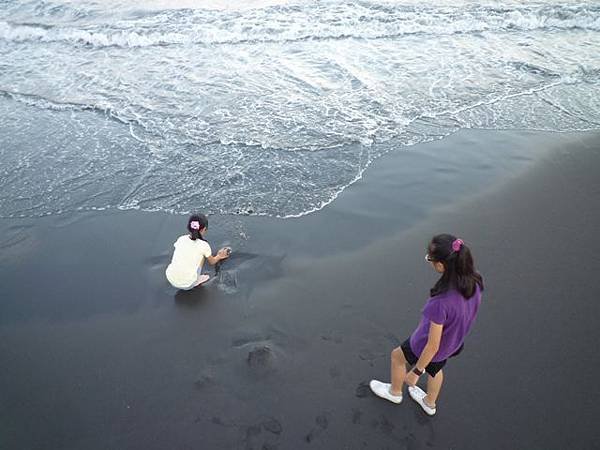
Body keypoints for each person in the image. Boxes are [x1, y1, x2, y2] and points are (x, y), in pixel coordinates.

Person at [369, 234, 484, 416]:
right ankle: (430, 403)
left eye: (430, 258)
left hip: (424, 345)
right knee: (436, 370)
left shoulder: (440, 302)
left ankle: (395, 393)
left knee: (397, 357)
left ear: (441, 265)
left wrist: (416, 371)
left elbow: (432, 345)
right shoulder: (476, 280)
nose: (429, 261)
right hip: (452, 343)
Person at [165, 214, 230, 290]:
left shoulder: (181, 239)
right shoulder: (204, 245)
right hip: (187, 284)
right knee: (202, 255)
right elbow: (212, 262)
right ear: (204, 229)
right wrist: (219, 256)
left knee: (185, 253)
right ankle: (196, 280)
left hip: (171, 279)